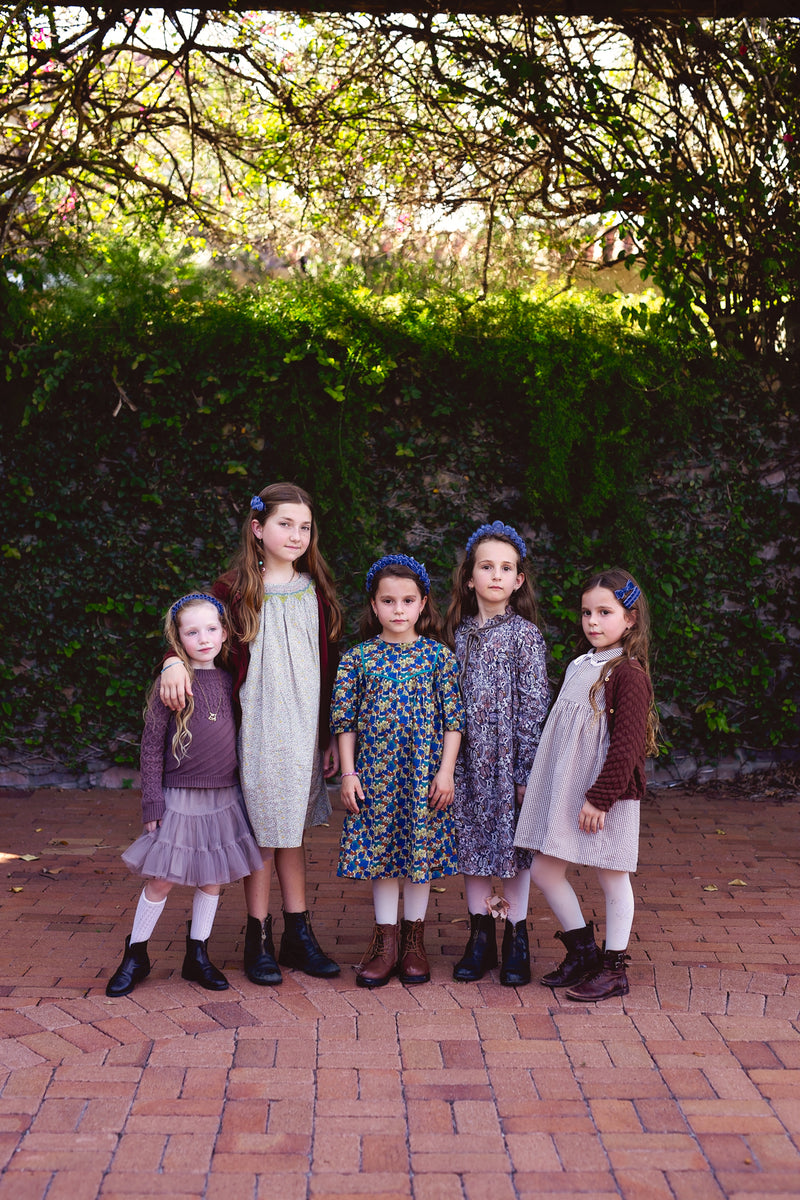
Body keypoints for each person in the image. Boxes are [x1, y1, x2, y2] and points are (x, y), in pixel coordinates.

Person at [160, 483, 343, 986]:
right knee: (263, 831)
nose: (297, 535)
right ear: (258, 528)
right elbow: (191, 629)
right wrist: (172, 660)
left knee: (291, 832)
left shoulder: (315, 590)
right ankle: (257, 936)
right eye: (286, 524)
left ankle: (297, 935)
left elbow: (326, 667)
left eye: (305, 527)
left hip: (302, 728)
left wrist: (329, 733)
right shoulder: (232, 591)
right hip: (256, 728)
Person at [106, 594, 264, 997]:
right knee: (163, 878)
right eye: (192, 632)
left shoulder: (232, 681)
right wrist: (152, 800)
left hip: (224, 797)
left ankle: (198, 955)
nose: (204, 638)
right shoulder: (173, 682)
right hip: (178, 796)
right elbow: (150, 746)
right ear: (178, 640)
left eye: (211, 629)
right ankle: (135, 954)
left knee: (212, 879)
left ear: (224, 633)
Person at [515, 569, 658, 1001]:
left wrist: (600, 798)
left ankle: (614, 969)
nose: (593, 621)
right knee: (544, 869)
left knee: (612, 876)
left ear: (630, 618)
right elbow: (563, 735)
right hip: (567, 790)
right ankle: (583, 952)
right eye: (586, 612)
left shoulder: (629, 674)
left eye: (605, 612)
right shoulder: (580, 664)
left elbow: (627, 746)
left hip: (604, 794)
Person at [332, 555, 464, 988]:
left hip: (422, 774)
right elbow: (345, 722)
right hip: (376, 774)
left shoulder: (438, 657)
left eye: (408, 600)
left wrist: (446, 772)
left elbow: (454, 721)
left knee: (417, 853)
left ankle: (413, 942)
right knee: (383, 853)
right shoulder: (358, 659)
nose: (398, 609)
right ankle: (385, 944)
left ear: (423, 603)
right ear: (374, 605)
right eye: (388, 601)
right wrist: (348, 773)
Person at [445, 521, 550, 986]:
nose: (496, 575)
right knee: (471, 843)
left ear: (518, 580)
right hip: (467, 760)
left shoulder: (525, 635)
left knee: (514, 848)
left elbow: (534, 705)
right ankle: (480, 936)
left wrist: (526, 770)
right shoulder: (456, 635)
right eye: (486, 567)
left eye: (506, 568)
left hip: (508, 761)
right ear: (470, 577)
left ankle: (516, 938)